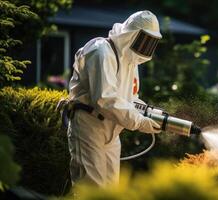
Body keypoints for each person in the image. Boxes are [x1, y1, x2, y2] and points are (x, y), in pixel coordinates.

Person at [66, 10, 162, 187]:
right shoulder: (101, 51)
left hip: (112, 131)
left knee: (111, 190)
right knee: (92, 189)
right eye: (144, 39)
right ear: (130, 34)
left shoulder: (130, 61)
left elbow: (129, 99)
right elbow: (105, 99)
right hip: (89, 125)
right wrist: (140, 122)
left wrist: (150, 114)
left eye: (151, 41)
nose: (146, 46)